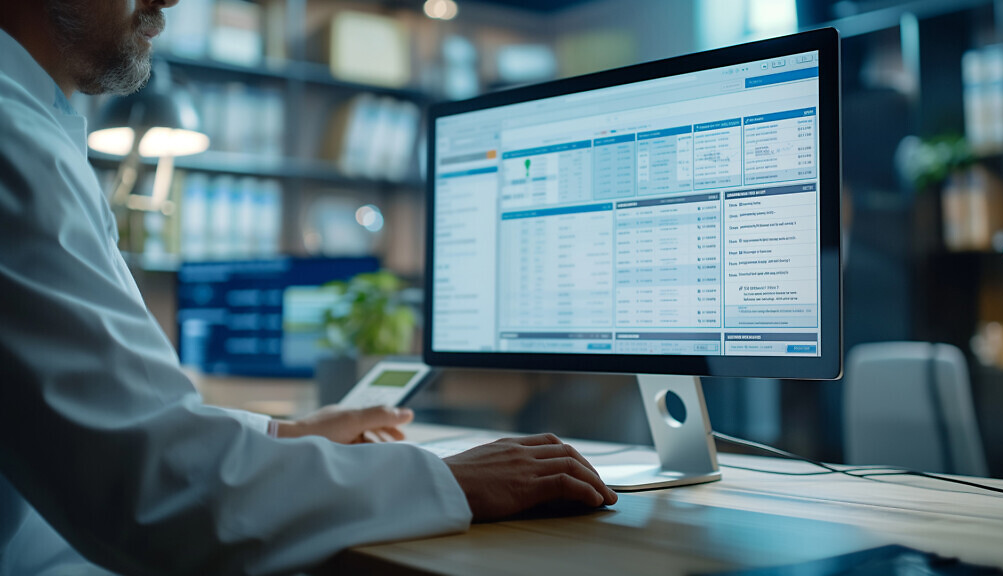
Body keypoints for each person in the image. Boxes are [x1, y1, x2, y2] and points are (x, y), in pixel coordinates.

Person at [0, 0, 618, 574]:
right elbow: (155, 487)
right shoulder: (17, 144)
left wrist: (282, 435)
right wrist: (451, 481)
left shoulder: (32, 129)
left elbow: (110, 436)